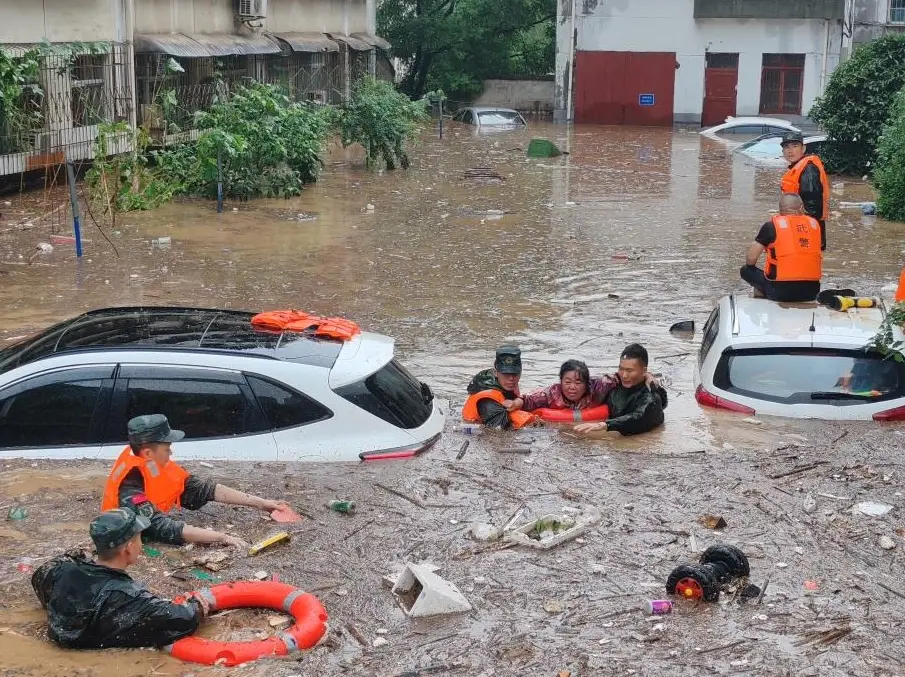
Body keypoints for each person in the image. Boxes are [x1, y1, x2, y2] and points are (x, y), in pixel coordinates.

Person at [31, 508, 209, 649]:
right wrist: (197, 605)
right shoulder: (128, 596)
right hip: (88, 644)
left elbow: (39, 576)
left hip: (63, 638)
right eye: (139, 539)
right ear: (128, 549)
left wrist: (79, 555)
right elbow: (184, 618)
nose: (141, 545)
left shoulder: (62, 571)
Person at [101, 414, 288, 547]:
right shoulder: (130, 487)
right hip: (126, 538)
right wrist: (221, 537)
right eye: (167, 448)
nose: (171, 452)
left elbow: (204, 488)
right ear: (148, 452)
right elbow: (160, 527)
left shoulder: (152, 461)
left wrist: (262, 503)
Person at [740, 193, 822, 303]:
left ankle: (763, 291)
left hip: (779, 292)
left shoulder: (770, 226)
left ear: (780, 210)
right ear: (801, 208)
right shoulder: (815, 225)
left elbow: (751, 259)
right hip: (811, 292)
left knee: (746, 270)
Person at [574, 344, 667, 436]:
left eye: (629, 371)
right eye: (621, 369)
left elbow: (639, 418)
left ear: (644, 371)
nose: (624, 375)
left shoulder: (652, 397)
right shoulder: (613, 384)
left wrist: (605, 425)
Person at [462, 346, 536, 429]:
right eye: (506, 374)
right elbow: (499, 434)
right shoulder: (488, 402)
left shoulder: (505, 383)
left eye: (515, 373)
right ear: (495, 372)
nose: (511, 378)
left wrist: (518, 402)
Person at [780, 131, 830, 250]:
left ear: (803, 148)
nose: (790, 150)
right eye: (786, 147)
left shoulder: (808, 170)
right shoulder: (798, 168)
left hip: (807, 231)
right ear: (783, 152)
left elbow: (812, 207)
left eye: (795, 146)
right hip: (802, 228)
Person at [513, 359, 616, 412]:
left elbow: (617, 378)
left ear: (586, 383)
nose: (572, 387)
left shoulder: (597, 388)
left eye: (578, 382)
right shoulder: (552, 394)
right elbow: (528, 399)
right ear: (561, 381)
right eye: (567, 382)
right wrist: (515, 403)